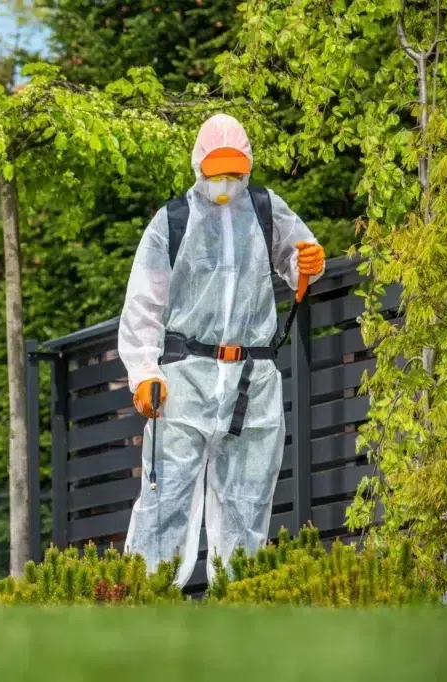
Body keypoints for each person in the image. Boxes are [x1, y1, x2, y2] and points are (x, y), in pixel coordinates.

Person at [117, 113, 326, 587]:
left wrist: (307, 260)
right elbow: (144, 306)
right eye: (216, 171)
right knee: (164, 501)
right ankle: (141, 605)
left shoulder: (267, 209)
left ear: (248, 166)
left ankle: (240, 608)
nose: (225, 182)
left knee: (248, 501)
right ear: (199, 167)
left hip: (252, 381)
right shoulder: (173, 221)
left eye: (234, 170)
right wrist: (144, 371)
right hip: (184, 379)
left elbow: (299, 260)